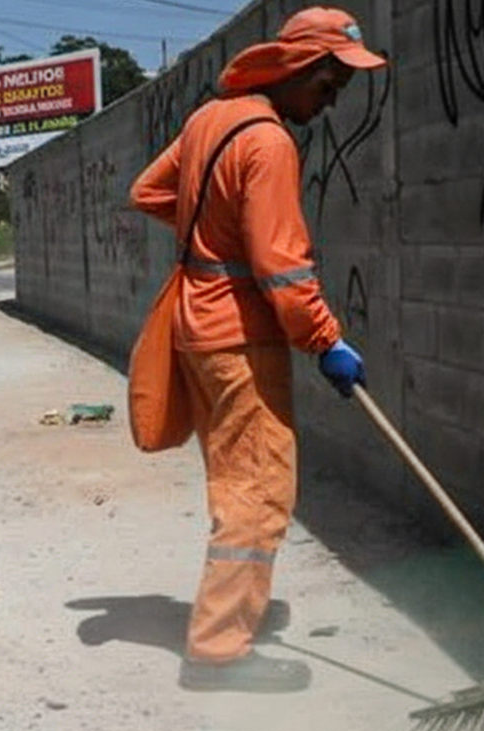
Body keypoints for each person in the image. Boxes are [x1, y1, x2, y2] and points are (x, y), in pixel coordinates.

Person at [129, 6, 383, 692]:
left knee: (231, 481)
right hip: (240, 337)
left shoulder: (212, 119)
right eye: (328, 88)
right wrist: (326, 341)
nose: (330, 104)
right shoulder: (269, 143)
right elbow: (284, 268)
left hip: (198, 329)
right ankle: (218, 650)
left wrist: (214, 230)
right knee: (259, 490)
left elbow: (147, 190)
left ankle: (230, 615)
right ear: (299, 70)